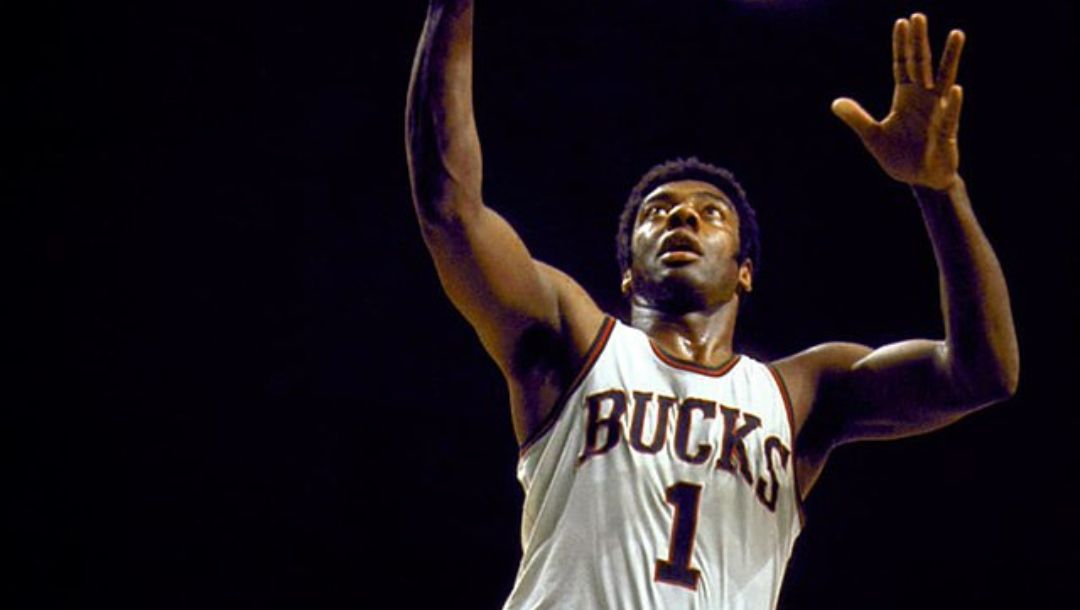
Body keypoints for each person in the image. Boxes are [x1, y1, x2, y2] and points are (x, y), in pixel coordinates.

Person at [405, 2, 1018, 609]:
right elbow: (450, 208)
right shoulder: (573, 341)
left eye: (710, 213)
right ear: (627, 271)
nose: (683, 217)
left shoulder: (802, 394)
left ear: (744, 270)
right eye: (658, 212)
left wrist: (940, 191)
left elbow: (981, 373)